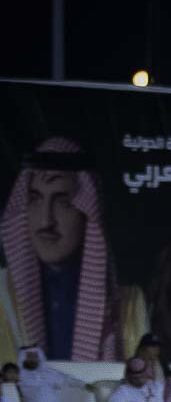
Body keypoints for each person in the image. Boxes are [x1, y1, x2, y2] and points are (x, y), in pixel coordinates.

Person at [0, 137, 134, 362]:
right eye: (35, 199)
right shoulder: (3, 297)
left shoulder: (129, 306)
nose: (46, 222)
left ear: (87, 212)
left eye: (63, 203)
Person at [16, 345, 89, 402]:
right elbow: (13, 387)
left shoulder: (48, 373)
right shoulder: (18, 375)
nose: (33, 359)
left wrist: (84, 385)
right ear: (23, 358)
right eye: (29, 356)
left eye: (35, 357)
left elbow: (67, 380)